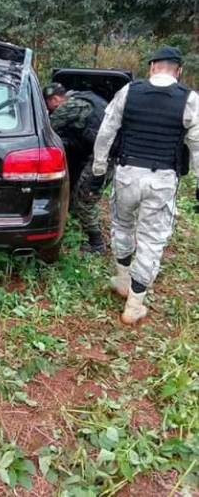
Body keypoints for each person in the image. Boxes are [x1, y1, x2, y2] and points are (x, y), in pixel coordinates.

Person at [91, 46, 199, 325]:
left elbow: (106, 131)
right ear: (179, 71)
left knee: (122, 225)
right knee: (151, 239)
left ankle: (123, 279)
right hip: (162, 180)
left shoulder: (129, 92)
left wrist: (99, 169)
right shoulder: (190, 100)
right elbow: (197, 147)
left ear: (152, 67)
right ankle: (134, 304)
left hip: (127, 173)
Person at [44, 82, 109, 253]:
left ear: (55, 99)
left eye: (47, 104)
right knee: (78, 193)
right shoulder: (82, 97)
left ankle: (96, 244)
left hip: (104, 158)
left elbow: (46, 129)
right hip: (101, 154)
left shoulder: (70, 105)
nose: (49, 109)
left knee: (84, 198)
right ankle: (74, 228)